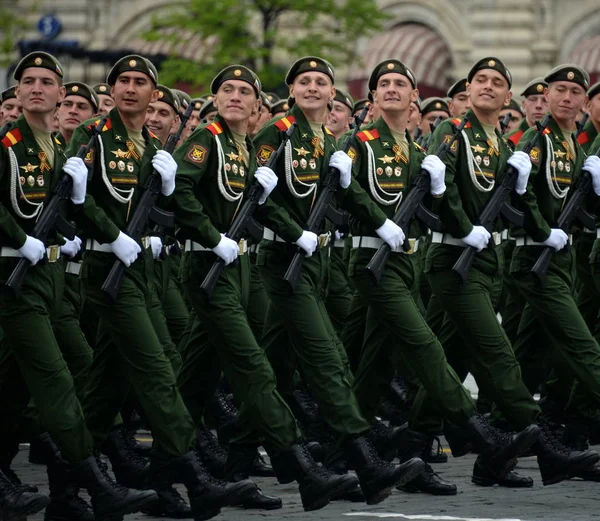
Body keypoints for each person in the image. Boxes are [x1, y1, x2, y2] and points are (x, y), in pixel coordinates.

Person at [66, 54, 257, 521]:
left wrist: (169, 203)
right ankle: (192, 476)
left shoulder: (152, 147)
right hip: (105, 268)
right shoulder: (91, 135)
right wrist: (113, 235)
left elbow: (168, 210)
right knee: (157, 371)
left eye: (141, 82)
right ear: (110, 90)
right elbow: (80, 198)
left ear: (156, 94)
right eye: (123, 81)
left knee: (105, 388)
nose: (131, 89)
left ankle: (65, 490)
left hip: (145, 272)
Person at [251, 56, 425, 505]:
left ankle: (232, 455)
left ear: (333, 94)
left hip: (318, 261)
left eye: (321, 83)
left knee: (270, 363)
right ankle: (364, 461)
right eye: (304, 81)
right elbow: (260, 199)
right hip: (284, 259)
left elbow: (349, 192)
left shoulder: (324, 139)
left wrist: (383, 223)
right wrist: (296, 233)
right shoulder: (279, 133)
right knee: (327, 361)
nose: (312, 88)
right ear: (291, 90)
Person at [0, 50, 158, 521]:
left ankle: (51, 495)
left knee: (10, 390)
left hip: (49, 280)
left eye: (47, 81)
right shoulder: (8, 144)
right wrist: (18, 238)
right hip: (12, 277)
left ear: (60, 91)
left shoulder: (58, 149)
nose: (36, 88)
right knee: (56, 380)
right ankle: (95, 481)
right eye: (27, 80)